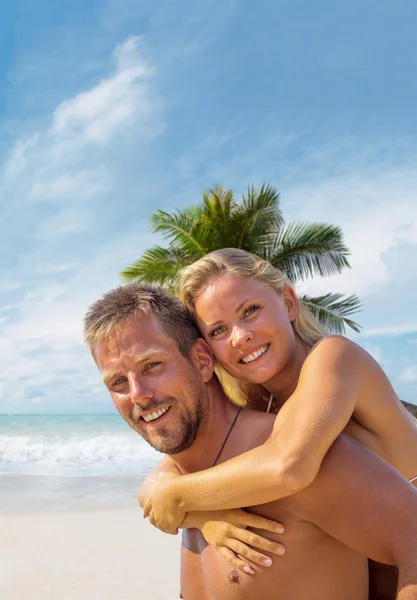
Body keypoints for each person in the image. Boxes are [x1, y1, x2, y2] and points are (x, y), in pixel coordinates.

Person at [84, 284, 417, 600]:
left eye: (152, 365)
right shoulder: (185, 490)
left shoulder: (287, 453)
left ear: (202, 361)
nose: (139, 395)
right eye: (118, 382)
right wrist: (184, 504)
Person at [140, 249, 417, 559]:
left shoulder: (336, 358)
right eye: (219, 330)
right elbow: (163, 479)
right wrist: (202, 518)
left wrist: (178, 497)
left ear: (288, 302)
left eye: (250, 311)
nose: (240, 336)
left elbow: (289, 466)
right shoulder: (259, 402)